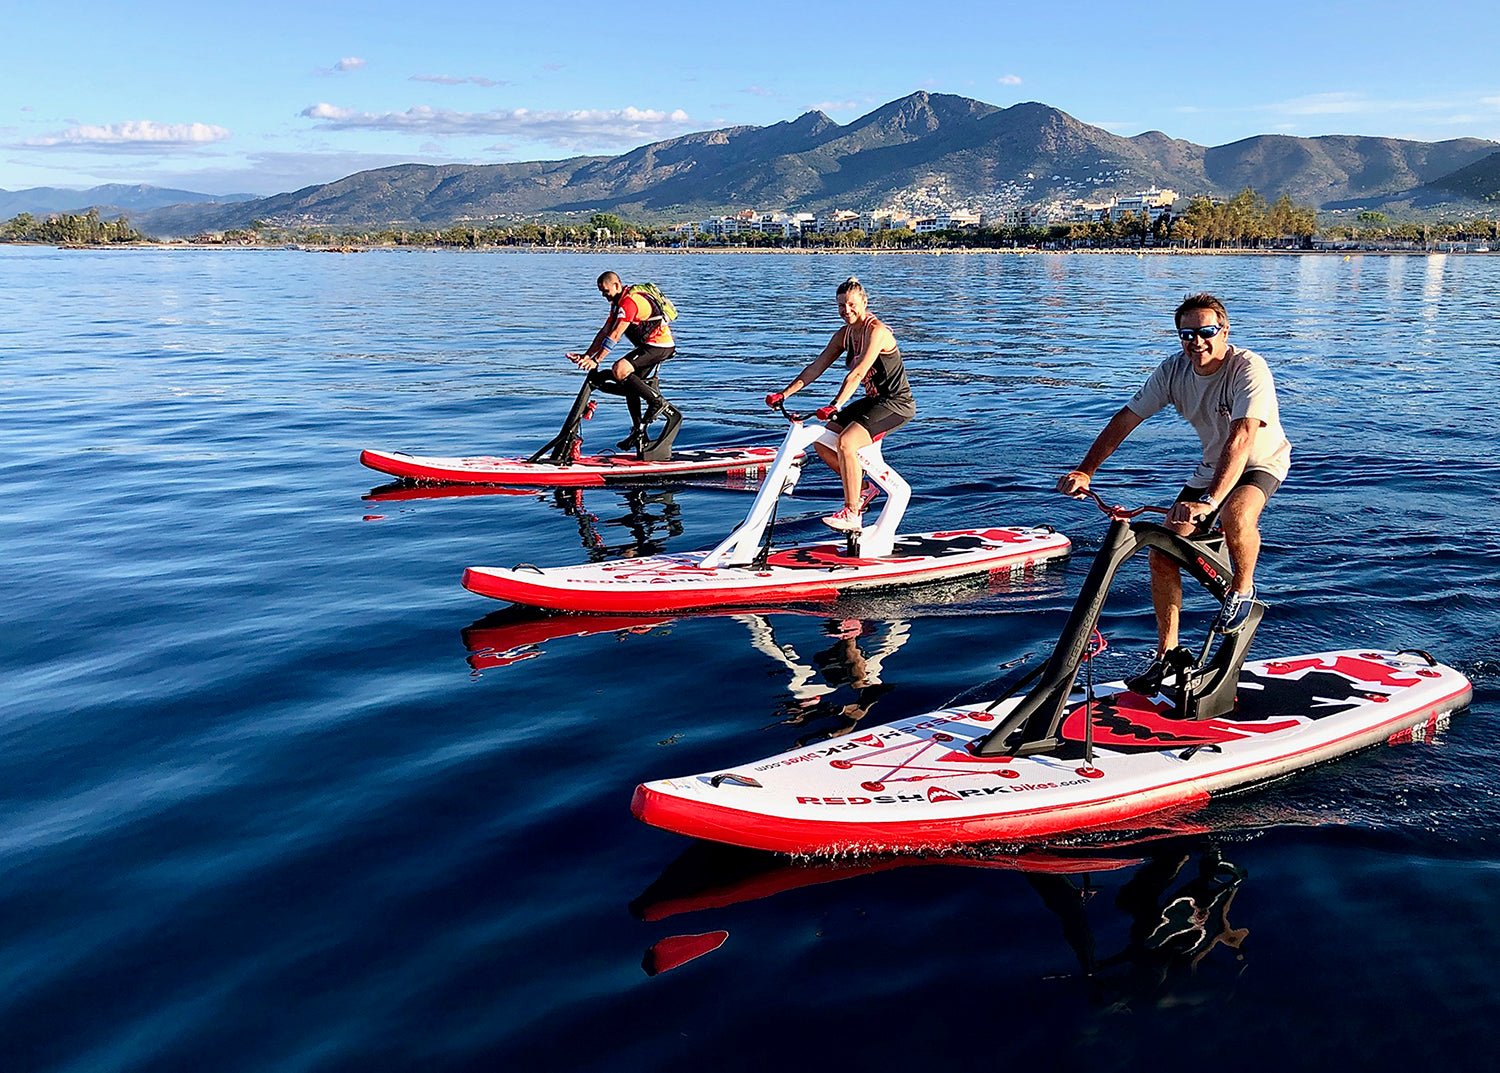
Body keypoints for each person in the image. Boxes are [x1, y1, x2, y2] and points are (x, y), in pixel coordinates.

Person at [1056, 293, 1291, 691]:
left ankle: (1243, 589)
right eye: (1187, 334)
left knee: (1237, 514)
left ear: (1224, 331)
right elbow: (1126, 420)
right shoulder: (1173, 371)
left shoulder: (1248, 368)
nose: (1196, 342)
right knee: (1163, 552)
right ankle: (1167, 656)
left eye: (1206, 332)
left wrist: (1209, 503)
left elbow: (1243, 437)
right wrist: (1086, 470)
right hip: (1211, 467)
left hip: (1259, 461)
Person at [765, 276, 916, 531]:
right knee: (822, 439)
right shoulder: (844, 335)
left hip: (896, 404)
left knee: (847, 442)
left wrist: (835, 404)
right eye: (840, 306)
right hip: (872, 402)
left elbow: (857, 374)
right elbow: (817, 366)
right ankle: (864, 488)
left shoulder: (876, 331)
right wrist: (784, 394)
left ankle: (852, 513)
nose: (846, 311)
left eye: (851, 304)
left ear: (864, 302)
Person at [566, 271, 680, 453]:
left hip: (659, 346)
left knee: (619, 369)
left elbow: (615, 335)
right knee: (629, 385)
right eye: (601, 292)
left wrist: (597, 360)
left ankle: (656, 402)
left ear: (617, 286)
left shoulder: (629, 302)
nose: (604, 295)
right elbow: (604, 332)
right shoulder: (616, 305)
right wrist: (587, 356)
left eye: (605, 291)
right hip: (647, 347)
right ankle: (639, 432)